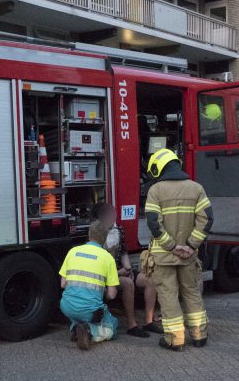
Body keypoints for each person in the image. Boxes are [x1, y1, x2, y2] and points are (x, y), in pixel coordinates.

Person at [144, 148, 213, 351]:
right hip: (188, 256)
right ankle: (200, 335)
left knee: (168, 296)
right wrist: (191, 245)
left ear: (158, 168)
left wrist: (172, 247)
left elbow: (154, 224)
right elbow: (207, 219)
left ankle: (175, 339)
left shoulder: (155, 190)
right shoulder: (196, 188)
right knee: (192, 293)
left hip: (164, 256)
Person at [94, 203, 161, 337]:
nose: (113, 217)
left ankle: (148, 322)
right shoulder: (96, 234)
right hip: (104, 276)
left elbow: (123, 252)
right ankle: (132, 325)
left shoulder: (118, 230)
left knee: (149, 279)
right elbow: (97, 267)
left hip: (120, 271)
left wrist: (128, 268)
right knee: (127, 283)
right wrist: (119, 273)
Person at [59, 220, 120, 350]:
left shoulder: (73, 251)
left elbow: (63, 284)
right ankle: (89, 331)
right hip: (90, 311)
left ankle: (76, 328)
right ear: (105, 238)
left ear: (89, 234)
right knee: (113, 325)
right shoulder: (107, 258)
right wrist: (101, 293)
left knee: (78, 315)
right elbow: (112, 295)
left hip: (66, 306)